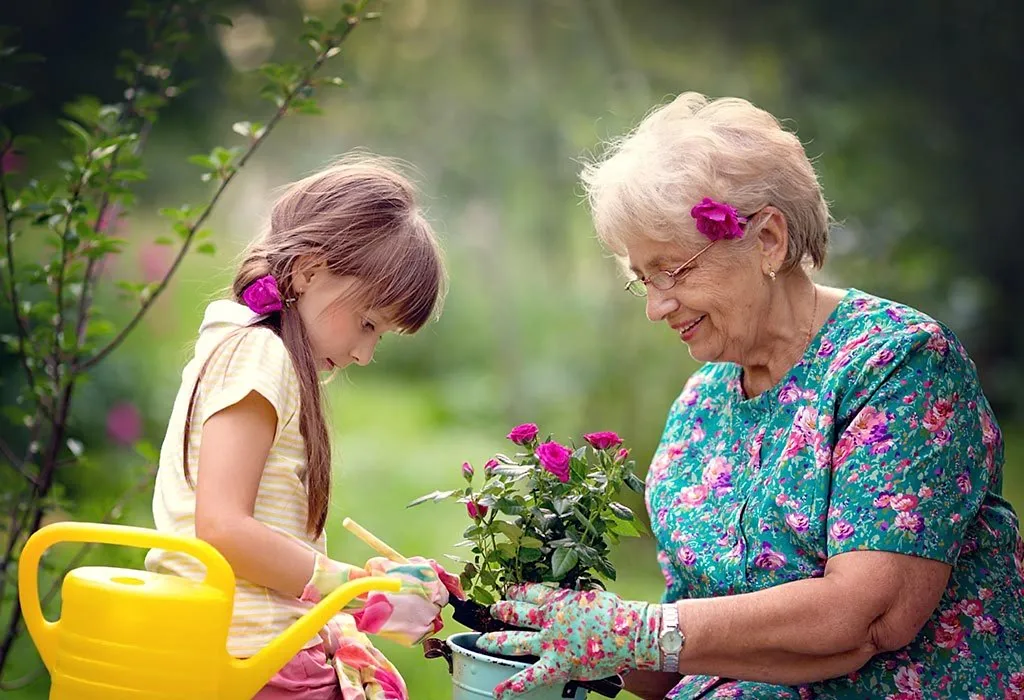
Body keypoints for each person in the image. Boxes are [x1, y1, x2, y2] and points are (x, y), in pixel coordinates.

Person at [477, 93, 1024, 698]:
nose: (657, 307)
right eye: (643, 281)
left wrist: (636, 630)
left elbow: (869, 616)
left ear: (766, 238)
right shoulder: (699, 404)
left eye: (673, 271)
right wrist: (553, 631)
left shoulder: (898, 364)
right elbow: (683, 650)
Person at [145, 155, 457, 699]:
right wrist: (356, 591)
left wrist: (362, 590)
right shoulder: (260, 354)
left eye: (379, 335)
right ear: (309, 271)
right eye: (367, 323)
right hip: (249, 653)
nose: (364, 354)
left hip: (245, 639)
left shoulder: (255, 350)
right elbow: (221, 526)